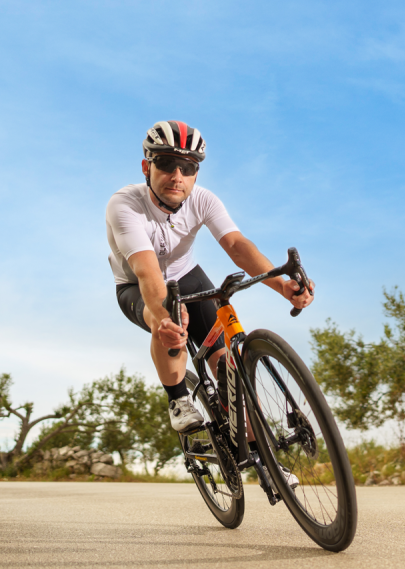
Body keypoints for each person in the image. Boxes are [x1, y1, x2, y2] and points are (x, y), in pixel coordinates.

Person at [106, 120, 313, 434]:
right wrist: (165, 318)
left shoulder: (204, 200)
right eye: (166, 164)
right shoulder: (125, 205)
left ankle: (267, 467)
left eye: (187, 168)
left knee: (229, 367)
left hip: (187, 275)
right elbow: (147, 271)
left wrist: (282, 285)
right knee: (168, 319)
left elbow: (237, 246)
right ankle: (177, 398)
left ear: (196, 174)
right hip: (136, 285)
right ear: (146, 167)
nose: (177, 176)